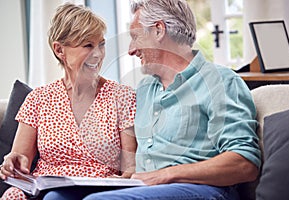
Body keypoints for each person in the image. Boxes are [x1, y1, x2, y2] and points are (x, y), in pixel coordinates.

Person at [43, 0, 261, 199]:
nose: (130, 50)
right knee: (57, 198)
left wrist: (163, 176)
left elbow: (245, 163)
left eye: (135, 37)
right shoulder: (146, 88)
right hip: (143, 188)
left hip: (202, 190)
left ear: (158, 30)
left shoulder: (220, 81)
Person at [0, 3, 136, 200]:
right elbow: (20, 160)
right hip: (45, 189)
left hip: (101, 192)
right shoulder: (38, 99)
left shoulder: (122, 97)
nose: (98, 54)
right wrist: (12, 163)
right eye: (88, 45)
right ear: (59, 50)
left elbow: (130, 167)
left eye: (102, 44)